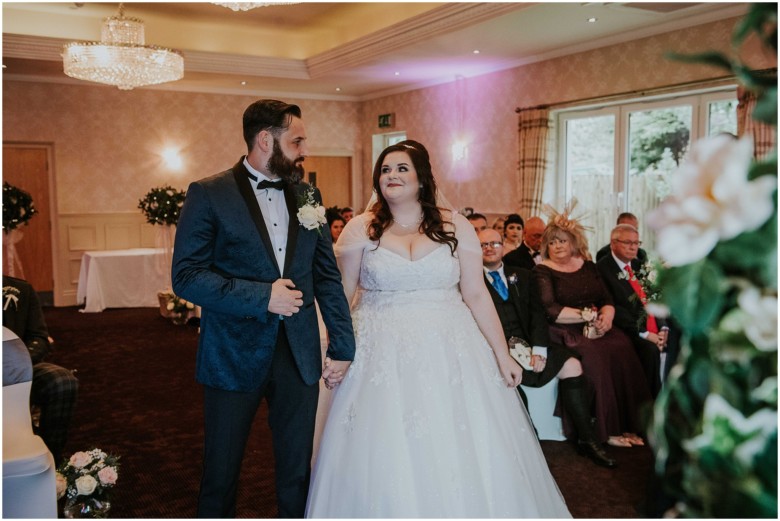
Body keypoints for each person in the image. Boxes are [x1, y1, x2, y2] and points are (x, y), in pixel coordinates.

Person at [306, 140, 570, 518]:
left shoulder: (454, 225)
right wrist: (333, 346)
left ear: (421, 178)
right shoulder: (360, 229)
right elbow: (343, 294)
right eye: (385, 169)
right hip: (378, 348)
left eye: (401, 169)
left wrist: (501, 353)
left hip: (450, 346)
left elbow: (477, 295)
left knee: (458, 441)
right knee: (380, 444)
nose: (391, 176)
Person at [171, 99, 356, 518]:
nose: (305, 149)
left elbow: (325, 275)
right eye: (297, 140)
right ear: (264, 140)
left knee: (296, 471)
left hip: (299, 353)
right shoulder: (209, 193)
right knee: (221, 471)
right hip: (232, 352)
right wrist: (262, 297)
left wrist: (343, 344)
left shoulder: (309, 194)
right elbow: (186, 276)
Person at [478, 229, 616, 468]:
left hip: (529, 344)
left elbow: (537, 315)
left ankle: (587, 439)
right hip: (495, 349)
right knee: (508, 383)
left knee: (572, 364)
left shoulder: (521, 275)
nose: (489, 248)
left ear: (504, 246)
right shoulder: (472, 281)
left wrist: (539, 349)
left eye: (494, 243)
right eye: (483, 245)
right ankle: (529, 445)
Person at [531, 203, 652, 449]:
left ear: (573, 242)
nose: (557, 247)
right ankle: (605, 430)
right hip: (565, 329)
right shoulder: (543, 270)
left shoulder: (588, 266)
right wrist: (587, 316)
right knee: (596, 357)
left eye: (562, 241)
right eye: (552, 243)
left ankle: (631, 423)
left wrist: (606, 316)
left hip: (596, 324)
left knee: (623, 347)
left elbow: (606, 299)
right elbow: (550, 309)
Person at [2, 275, 79, 465]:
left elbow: (39, 337)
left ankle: (50, 460)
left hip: (19, 370)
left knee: (63, 381)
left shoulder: (20, 289)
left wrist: (16, 363)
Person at [597, 224, 671, 398]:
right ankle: (651, 405)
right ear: (613, 243)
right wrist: (644, 333)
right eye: (628, 242)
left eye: (636, 243)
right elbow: (614, 308)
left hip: (651, 325)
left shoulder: (639, 265)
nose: (633, 247)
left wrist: (663, 328)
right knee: (650, 350)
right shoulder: (602, 269)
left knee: (677, 339)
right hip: (626, 329)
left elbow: (653, 298)